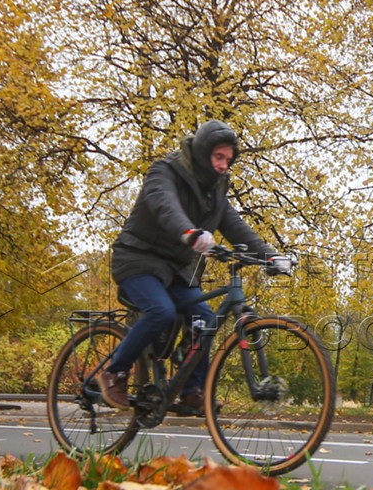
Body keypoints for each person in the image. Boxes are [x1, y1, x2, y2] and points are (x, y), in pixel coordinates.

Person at [98, 120, 288, 415]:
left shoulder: (215, 192)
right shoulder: (165, 171)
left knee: (204, 318)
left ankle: (191, 391)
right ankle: (115, 372)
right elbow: (165, 206)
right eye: (218, 157)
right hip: (137, 260)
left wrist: (271, 257)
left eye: (228, 159)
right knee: (161, 311)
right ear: (202, 154)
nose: (224, 165)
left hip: (175, 272)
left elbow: (237, 228)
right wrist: (189, 233)